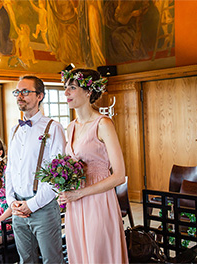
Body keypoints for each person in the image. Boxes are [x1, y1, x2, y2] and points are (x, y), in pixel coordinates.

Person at [58, 69, 129, 263]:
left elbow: (119, 175)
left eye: (72, 88)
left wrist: (81, 193)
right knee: (79, 252)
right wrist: (63, 188)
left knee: (98, 253)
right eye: (65, 88)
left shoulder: (103, 123)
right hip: (75, 202)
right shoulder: (71, 126)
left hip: (98, 200)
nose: (66, 93)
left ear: (88, 92)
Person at [5, 75, 66, 264]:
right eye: (17, 92)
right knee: (26, 260)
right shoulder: (15, 129)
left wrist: (32, 205)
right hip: (18, 210)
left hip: (44, 208)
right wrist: (11, 201)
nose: (19, 96)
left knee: (52, 260)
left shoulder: (53, 128)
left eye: (25, 91)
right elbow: (10, 169)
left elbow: (58, 176)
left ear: (40, 96)